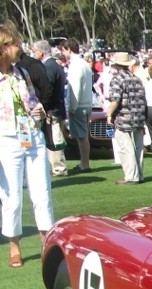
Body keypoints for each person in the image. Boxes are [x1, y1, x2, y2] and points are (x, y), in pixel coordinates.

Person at [0, 21, 54, 267]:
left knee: (41, 191)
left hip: (32, 136)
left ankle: (46, 240)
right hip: (7, 139)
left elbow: (32, 99)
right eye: (14, 44)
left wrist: (39, 109)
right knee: (11, 196)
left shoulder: (22, 73)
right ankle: (14, 244)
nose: (19, 48)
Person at [106, 52, 147, 184]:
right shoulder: (136, 78)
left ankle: (131, 176)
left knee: (126, 147)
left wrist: (109, 114)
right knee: (138, 148)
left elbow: (115, 100)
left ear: (116, 65)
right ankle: (139, 174)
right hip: (139, 116)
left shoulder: (117, 79)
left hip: (124, 117)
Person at [30, 40, 67, 176]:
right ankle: (56, 166)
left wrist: (47, 108)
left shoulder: (49, 67)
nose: (33, 54)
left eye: (34, 51)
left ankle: (59, 168)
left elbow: (48, 90)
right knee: (53, 138)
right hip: (57, 107)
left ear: (41, 52)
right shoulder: (54, 65)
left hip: (53, 109)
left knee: (54, 139)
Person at [65, 38, 92, 173]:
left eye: (64, 51)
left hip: (79, 105)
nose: (64, 54)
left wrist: (72, 107)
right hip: (86, 103)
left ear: (69, 49)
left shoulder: (76, 65)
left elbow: (75, 89)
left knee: (81, 137)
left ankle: (84, 164)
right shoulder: (85, 63)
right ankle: (84, 162)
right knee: (83, 136)